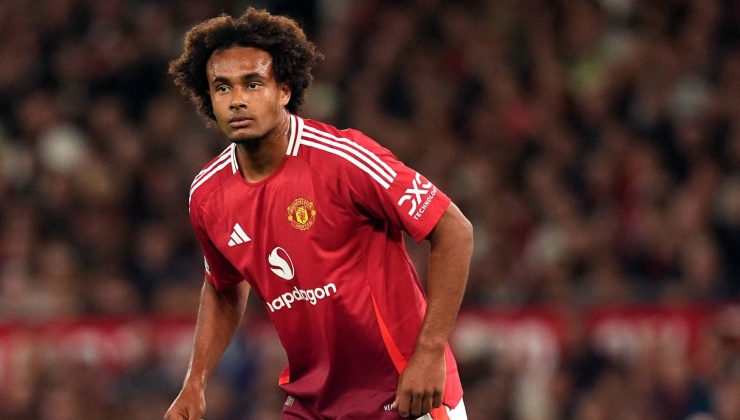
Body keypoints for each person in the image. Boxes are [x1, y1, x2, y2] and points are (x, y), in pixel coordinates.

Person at [164, 7, 473, 420]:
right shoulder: (207, 194)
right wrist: (195, 383)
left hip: (404, 388)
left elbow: (453, 229)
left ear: (284, 90)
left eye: (252, 84)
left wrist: (430, 353)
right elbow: (223, 288)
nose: (237, 100)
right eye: (222, 88)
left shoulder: (343, 158)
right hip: (314, 403)